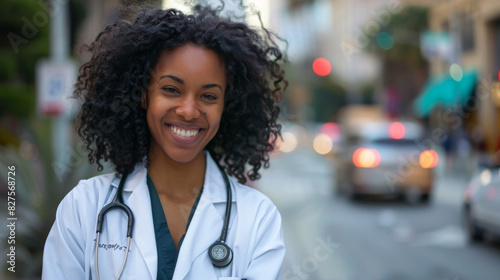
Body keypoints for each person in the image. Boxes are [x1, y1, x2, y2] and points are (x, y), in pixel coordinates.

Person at [42, 4, 286, 280]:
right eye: (171, 90)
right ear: (143, 94)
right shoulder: (84, 207)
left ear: (226, 106)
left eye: (208, 96)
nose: (189, 110)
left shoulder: (258, 220)